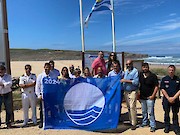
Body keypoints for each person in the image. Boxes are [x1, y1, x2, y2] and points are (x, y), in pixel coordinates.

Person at [139, 63, 159, 132]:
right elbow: (138, 84)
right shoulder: (140, 75)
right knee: (144, 111)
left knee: (151, 112)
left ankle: (152, 125)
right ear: (142, 68)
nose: (145, 69)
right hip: (142, 97)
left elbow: (156, 86)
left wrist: (153, 95)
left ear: (148, 68)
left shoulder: (153, 76)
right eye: (144, 67)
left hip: (150, 97)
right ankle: (144, 123)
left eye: (146, 67)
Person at [160, 65, 180, 135]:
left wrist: (174, 98)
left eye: (172, 70)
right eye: (170, 70)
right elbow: (162, 89)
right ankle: (167, 127)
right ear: (168, 71)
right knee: (166, 114)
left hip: (175, 100)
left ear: (174, 71)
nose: (171, 71)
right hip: (166, 100)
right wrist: (168, 98)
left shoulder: (178, 79)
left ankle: (176, 128)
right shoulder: (164, 79)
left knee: (175, 114)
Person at [121, 59, 139, 130]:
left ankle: (134, 124)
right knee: (129, 107)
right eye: (127, 64)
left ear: (132, 64)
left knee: (132, 107)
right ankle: (131, 121)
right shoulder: (125, 72)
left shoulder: (135, 71)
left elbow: (136, 82)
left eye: (129, 64)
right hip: (126, 91)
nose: (128, 65)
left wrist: (126, 81)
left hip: (133, 91)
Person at [35, 63, 55, 128]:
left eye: (48, 67)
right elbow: (37, 86)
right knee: (42, 109)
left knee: (51, 108)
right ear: (44, 67)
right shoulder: (40, 76)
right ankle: (42, 121)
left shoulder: (53, 76)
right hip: (43, 96)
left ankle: (51, 121)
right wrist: (38, 95)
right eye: (46, 67)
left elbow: (54, 85)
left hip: (51, 95)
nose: (47, 69)